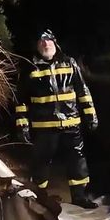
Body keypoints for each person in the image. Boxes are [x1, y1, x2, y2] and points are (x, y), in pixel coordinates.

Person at [15, 29, 99, 209]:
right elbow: (21, 99)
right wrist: (22, 125)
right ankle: (38, 198)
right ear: (36, 46)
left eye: (48, 40)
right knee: (41, 162)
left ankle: (80, 197)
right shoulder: (30, 67)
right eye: (41, 41)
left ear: (55, 42)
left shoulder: (69, 63)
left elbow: (83, 91)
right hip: (44, 126)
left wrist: (90, 114)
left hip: (71, 123)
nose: (45, 44)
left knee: (77, 160)